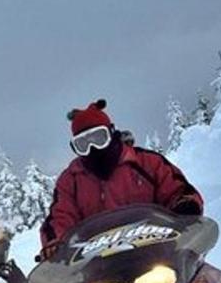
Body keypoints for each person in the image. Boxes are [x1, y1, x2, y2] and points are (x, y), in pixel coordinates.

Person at [40, 99, 203, 259]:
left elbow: (176, 188)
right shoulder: (71, 180)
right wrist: (55, 243)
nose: (93, 148)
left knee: (200, 279)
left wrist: (185, 205)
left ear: (111, 133)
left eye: (98, 138)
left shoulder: (147, 162)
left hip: (157, 250)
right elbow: (60, 216)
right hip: (98, 263)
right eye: (83, 144)